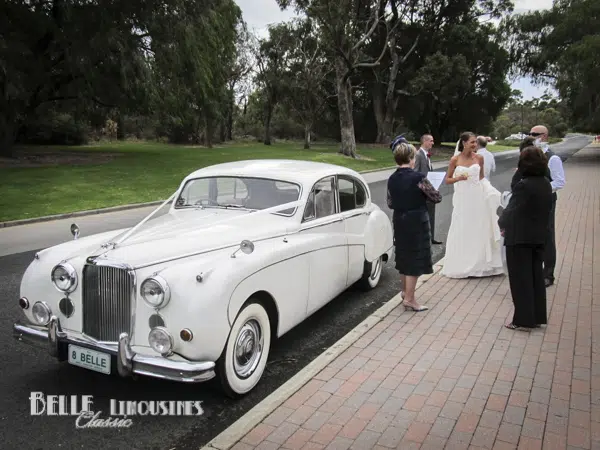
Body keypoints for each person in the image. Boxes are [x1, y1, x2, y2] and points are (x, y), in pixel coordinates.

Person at [498, 146, 553, 330]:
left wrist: (502, 222)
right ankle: (537, 315)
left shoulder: (523, 186)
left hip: (520, 236)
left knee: (520, 280)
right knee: (536, 277)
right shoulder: (545, 183)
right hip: (538, 235)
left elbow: (512, 210)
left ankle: (523, 319)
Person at [387, 140, 442, 311]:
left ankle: (405, 292)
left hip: (399, 219)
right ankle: (410, 299)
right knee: (416, 258)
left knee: (404, 255)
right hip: (417, 219)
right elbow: (436, 197)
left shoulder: (392, 178)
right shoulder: (418, 177)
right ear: (411, 159)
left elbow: (389, 202)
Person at [441, 131, 504, 278]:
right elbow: (448, 180)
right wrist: (458, 179)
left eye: (476, 142)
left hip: (477, 196)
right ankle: (462, 263)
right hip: (463, 198)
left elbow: (481, 178)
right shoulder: (455, 160)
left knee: (479, 227)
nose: (475, 145)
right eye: (472, 142)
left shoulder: (479, 158)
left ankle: (481, 263)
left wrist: (490, 192)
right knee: (463, 227)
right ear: (464, 143)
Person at [512, 125, 565, 287]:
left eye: (535, 134)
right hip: (526, 200)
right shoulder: (527, 155)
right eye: (530, 134)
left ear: (544, 137)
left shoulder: (552, 158)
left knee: (547, 234)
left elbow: (559, 181)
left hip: (545, 200)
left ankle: (548, 273)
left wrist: (540, 190)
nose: (531, 136)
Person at [414, 134, 442, 244]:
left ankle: (431, 237)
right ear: (424, 141)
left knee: (431, 214)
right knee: (424, 215)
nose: (432, 143)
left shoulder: (427, 155)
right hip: (423, 192)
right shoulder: (418, 155)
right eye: (431, 141)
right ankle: (424, 238)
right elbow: (416, 173)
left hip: (430, 191)